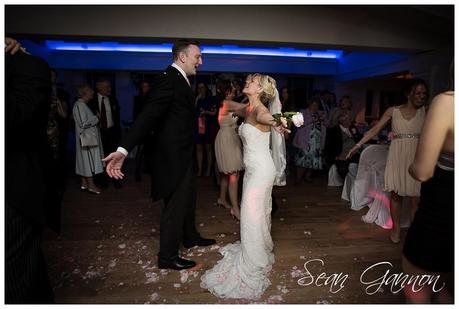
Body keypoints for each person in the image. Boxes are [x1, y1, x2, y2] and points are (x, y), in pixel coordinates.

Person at [103, 39, 215, 271]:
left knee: (189, 198)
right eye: (198, 57)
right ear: (182, 57)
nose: (201, 62)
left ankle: (190, 236)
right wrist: (124, 149)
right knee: (175, 204)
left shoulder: (180, 79)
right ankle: (167, 256)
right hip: (172, 156)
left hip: (184, 152)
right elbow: (148, 116)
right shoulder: (168, 80)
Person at [200, 73, 289, 300]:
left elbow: (269, 118)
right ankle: (257, 248)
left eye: (251, 82)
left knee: (251, 213)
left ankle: (254, 259)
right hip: (252, 171)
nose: (246, 83)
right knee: (255, 213)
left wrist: (278, 122)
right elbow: (229, 107)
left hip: (261, 172)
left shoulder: (260, 111)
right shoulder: (247, 108)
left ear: (259, 89)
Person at [5, 37, 59, 303]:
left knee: (14, 276)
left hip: (14, 189)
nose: (199, 62)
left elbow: (13, 119)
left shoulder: (27, 66)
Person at [347, 79, 428, 244]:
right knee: (396, 195)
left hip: (416, 157)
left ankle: (414, 234)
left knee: (416, 198)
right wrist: (358, 145)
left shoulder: (426, 111)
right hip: (397, 156)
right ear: (408, 93)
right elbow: (375, 129)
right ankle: (396, 228)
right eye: (418, 93)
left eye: (424, 93)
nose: (422, 96)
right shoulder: (393, 111)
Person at [402, 87, 454, 303]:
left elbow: (422, 171)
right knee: (445, 285)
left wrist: (411, 167)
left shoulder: (447, 102)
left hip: (442, 210)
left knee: (418, 286)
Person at [214, 80, 244, 219]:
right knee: (233, 174)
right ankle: (235, 209)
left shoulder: (226, 104)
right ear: (226, 92)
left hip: (230, 137)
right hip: (227, 139)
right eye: (232, 90)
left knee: (227, 173)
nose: (234, 92)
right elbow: (248, 108)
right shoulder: (228, 103)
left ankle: (222, 199)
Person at [88, 79, 122, 188]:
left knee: (114, 157)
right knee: (101, 158)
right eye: (106, 86)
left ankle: (116, 180)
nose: (109, 88)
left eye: (109, 86)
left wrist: (118, 132)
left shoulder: (113, 100)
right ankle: (103, 182)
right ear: (99, 87)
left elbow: (117, 118)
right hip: (98, 133)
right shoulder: (91, 101)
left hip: (111, 132)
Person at [73, 84, 104, 194]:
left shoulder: (81, 105)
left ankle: (84, 183)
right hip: (87, 139)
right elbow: (83, 123)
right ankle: (91, 185)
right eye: (90, 90)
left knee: (84, 160)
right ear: (85, 92)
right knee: (88, 162)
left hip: (86, 139)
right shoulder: (80, 105)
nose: (92, 92)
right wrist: (96, 118)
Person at [292, 99, 327, 183]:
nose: (315, 107)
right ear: (309, 105)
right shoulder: (302, 112)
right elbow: (298, 124)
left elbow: (328, 124)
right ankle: (298, 178)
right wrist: (312, 120)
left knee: (313, 161)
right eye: (313, 104)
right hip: (305, 141)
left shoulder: (321, 113)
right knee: (302, 161)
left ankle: (308, 177)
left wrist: (323, 119)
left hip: (317, 142)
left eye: (317, 105)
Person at [324, 111, 362, 179]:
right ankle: (347, 184)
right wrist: (335, 156)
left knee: (363, 164)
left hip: (355, 153)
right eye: (349, 119)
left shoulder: (353, 128)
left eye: (350, 119)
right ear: (342, 121)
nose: (351, 120)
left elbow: (360, 139)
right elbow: (329, 145)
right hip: (341, 154)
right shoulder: (334, 130)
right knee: (343, 169)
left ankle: (359, 182)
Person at [195, 82, 218, 177]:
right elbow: (191, 111)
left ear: (206, 88)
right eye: (199, 88)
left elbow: (214, 113)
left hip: (208, 125)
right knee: (198, 147)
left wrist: (206, 112)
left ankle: (208, 170)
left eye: (202, 87)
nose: (200, 89)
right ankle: (200, 170)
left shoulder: (211, 99)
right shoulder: (196, 99)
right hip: (198, 126)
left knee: (208, 147)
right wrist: (196, 100)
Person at [132, 81, 151, 182]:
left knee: (149, 150)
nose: (145, 88)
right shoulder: (137, 99)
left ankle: (147, 168)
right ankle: (137, 172)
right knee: (140, 150)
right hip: (141, 128)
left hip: (150, 128)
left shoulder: (151, 98)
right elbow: (135, 114)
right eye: (144, 86)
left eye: (147, 86)